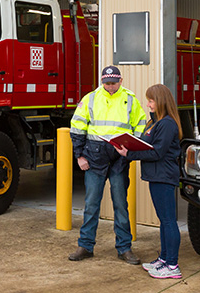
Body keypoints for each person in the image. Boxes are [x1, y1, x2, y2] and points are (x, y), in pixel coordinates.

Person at [68, 66, 147, 264]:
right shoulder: (91, 98)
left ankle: (124, 248)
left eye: (113, 83)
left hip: (120, 158)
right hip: (94, 157)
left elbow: (140, 125)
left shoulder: (130, 99)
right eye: (107, 83)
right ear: (102, 81)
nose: (110, 86)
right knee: (91, 204)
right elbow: (77, 128)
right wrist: (79, 156)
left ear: (121, 81)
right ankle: (85, 246)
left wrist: (132, 151)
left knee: (121, 205)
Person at [115, 84, 182, 279]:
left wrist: (130, 153)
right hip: (156, 176)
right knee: (164, 220)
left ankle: (172, 266)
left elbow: (157, 151)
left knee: (168, 221)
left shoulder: (167, 124)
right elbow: (149, 145)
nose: (148, 104)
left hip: (164, 177)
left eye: (151, 100)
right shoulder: (155, 122)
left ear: (160, 101)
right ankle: (164, 258)